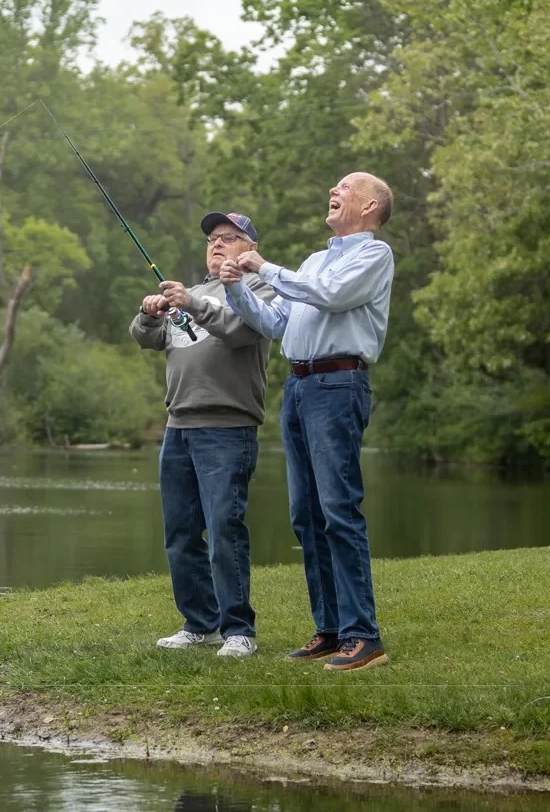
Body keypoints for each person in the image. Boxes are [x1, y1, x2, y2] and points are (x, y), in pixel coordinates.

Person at [218, 172, 394, 672]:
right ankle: (331, 629)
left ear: (370, 205)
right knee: (306, 515)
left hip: (339, 385)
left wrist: (263, 265)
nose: (333, 191)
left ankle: (365, 637)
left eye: (344, 187)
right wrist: (236, 289)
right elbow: (277, 322)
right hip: (297, 386)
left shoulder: (373, 255)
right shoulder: (316, 260)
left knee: (339, 510)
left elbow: (331, 295)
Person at [130, 211, 275, 659]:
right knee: (180, 533)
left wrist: (190, 303)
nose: (216, 244)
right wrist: (150, 313)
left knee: (224, 529)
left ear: (249, 248)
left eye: (229, 238)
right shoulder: (193, 293)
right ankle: (200, 623)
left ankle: (238, 631)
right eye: (212, 238)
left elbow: (237, 331)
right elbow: (147, 339)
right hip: (179, 426)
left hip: (227, 427)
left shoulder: (259, 289)